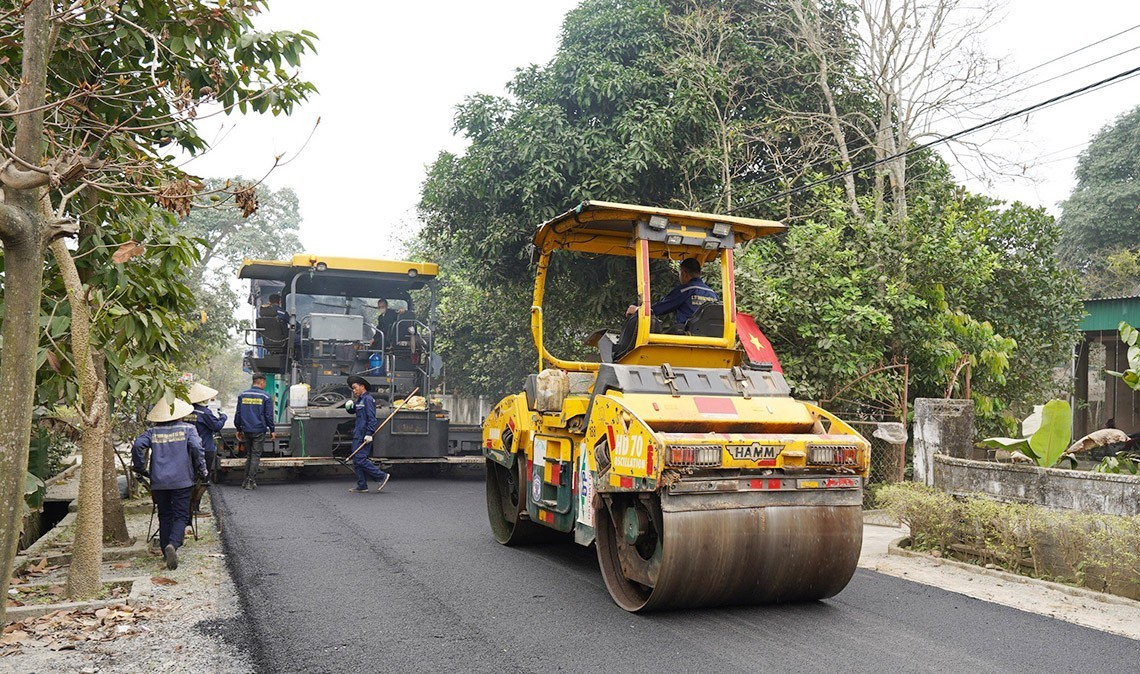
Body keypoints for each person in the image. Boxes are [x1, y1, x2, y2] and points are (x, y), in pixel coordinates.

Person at [132, 397, 207, 571]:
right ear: (180, 414)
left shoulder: (152, 433)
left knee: (164, 515)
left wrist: (140, 467)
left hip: (159, 481)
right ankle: (173, 544)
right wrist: (202, 471)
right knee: (181, 515)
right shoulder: (189, 429)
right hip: (182, 481)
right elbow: (197, 449)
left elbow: (137, 445)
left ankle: (166, 551)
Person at [626, 257, 719, 326]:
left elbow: (663, 306)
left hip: (689, 336)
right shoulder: (713, 294)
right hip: (711, 336)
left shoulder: (685, 290)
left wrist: (639, 310)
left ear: (684, 273)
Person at [185, 382, 227, 514]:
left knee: (190, 477)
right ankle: (195, 506)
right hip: (205, 449)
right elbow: (216, 426)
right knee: (203, 478)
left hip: (187, 449)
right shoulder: (205, 412)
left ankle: (187, 506)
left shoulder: (187, 411)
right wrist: (223, 417)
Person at [346, 374, 390, 494]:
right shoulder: (360, 400)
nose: (354, 391)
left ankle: (381, 476)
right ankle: (362, 485)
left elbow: (372, 418)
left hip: (364, 434)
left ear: (362, 386)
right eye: (353, 389)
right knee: (356, 460)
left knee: (360, 458)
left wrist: (369, 433)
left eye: (355, 388)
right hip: (358, 433)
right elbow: (354, 411)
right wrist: (350, 408)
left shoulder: (368, 400)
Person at [235, 373, 275, 490]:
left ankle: (245, 480)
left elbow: (238, 414)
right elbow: (268, 416)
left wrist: (238, 428)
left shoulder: (242, 395)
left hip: (246, 429)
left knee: (249, 455)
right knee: (255, 455)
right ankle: (250, 481)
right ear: (261, 381)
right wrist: (272, 430)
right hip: (259, 430)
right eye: (265, 382)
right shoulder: (266, 397)